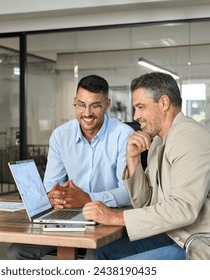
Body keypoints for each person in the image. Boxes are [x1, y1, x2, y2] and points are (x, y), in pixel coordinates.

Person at [83, 72, 210, 260]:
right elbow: (145, 203)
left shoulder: (191, 137)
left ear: (164, 103)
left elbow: (183, 209)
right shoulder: (159, 142)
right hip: (179, 234)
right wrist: (132, 160)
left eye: (140, 107)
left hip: (209, 245)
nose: (136, 116)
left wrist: (116, 217)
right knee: (101, 251)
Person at [7, 74, 134, 260]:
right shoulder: (61, 135)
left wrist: (88, 199)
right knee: (17, 251)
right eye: (81, 105)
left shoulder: (123, 135)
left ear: (107, 104)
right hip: (69, 214)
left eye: (95, 106)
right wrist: (55, 195)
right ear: (75, 102)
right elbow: (51, 184)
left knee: (94, 255)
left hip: (110, 216)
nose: (87, 113)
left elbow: (128, 193)